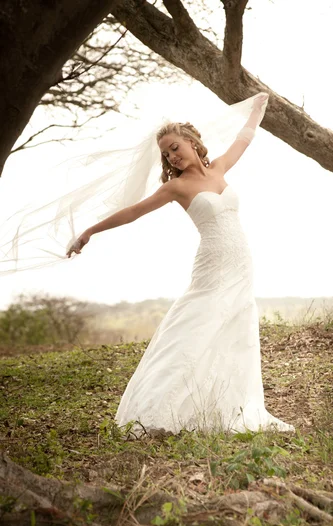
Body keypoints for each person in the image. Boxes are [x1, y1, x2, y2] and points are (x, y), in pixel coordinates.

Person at [67, 92, 294, 434]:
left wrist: (258, 108)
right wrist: (90, 231)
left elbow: (242, 140)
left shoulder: (218, 168)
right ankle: (162, 406)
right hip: (212, 264)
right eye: (166, 153)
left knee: (235, 327)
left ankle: (225, 406)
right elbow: (133, 211)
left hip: (242, 262)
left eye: (175, 147)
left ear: (192, 141)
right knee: (198, 323)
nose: (172, 156)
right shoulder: (176, 187)